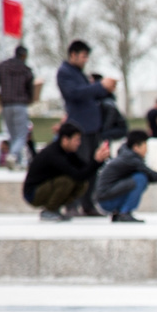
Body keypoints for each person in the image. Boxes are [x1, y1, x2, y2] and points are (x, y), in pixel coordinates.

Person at [57, 40, 116, 216]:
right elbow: (75, 94)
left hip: (91, 128)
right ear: (73, 55)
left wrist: (106, 89)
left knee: (93, 166)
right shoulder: (65, 72)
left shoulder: (78, 73)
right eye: (83, 56)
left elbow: (89, 94)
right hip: (78, 128)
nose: (85, 60)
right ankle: (71, 204)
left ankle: (88, 204)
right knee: (78, 166)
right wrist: (99, 86)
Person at [95, 129, 157, 222]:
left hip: (105, 199)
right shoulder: (131, 159)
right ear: (136, 147)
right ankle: (125, 212)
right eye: (145, 146)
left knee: (139, 177)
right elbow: (153, 176)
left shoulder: (127, 155)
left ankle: (119, 213)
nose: (147, 150)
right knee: (140, 178)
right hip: (107, 201)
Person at [23, 121, 110, 221]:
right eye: (76, 140)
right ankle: (49, 211)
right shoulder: (54, 154)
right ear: (65, 140)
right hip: (33, 194)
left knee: (81, 184)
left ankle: (54, 209)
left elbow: (84, 169)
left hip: (46, 188)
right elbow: (77, 175)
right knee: (67, 181)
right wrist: (96, 161)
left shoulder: (68, 152)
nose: (79, 143)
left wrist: (98, 161)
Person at [0, 45, 34, 170]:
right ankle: (13, 155)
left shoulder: (3, 66)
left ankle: (16, 162)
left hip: (6, 105)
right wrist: (30, 98)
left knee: (13, 135)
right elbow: (30, 88)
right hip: (20, 104)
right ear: (23, 55)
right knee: (22, 135)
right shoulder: (25, 69)